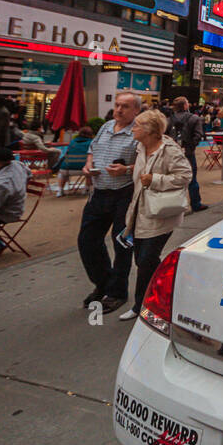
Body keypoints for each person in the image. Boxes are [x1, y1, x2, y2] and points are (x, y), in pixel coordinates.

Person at [117, 110, 192, 322]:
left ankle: (142, 305)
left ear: (149, 130)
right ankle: (168, 288)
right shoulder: (141, 147)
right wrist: (126, 170)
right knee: (144, 260)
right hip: (140, 212)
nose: (133, 128)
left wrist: (155, 180)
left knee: (146, 260)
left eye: (137, 125)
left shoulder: (169, 150)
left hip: (160, 214)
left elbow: (185, 175)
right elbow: (142, 171)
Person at [77, 92, 140, 313]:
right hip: (99, 192)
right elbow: (92, 149)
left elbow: (148, 161)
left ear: (136, 111)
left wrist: (127, 169)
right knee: (87, 241)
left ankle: (116, 293)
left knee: (121, 244)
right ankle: (103, 283)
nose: (119, 110)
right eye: (117, 105)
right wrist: (88, 165)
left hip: (124, 194)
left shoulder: (138, 132)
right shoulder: (106, 126)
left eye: (125, 106)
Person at [166, 97, 208, 212]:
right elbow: (198, 135)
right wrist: (190, 147)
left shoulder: (169, 119)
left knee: (172, 179)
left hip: (172, 153)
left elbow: (164, 136)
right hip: (188, 153)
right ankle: (196, 203)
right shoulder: (194, 118)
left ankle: (173, 206)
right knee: (192, 178)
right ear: (185, 105)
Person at [56, 126, 94, 194]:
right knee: (91, 168)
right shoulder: (92, 143)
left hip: (66, 169)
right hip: (84, 170)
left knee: (61, 173)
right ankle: (86, 188)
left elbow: (66, 155)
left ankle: (60, 190)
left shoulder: (72, 142)